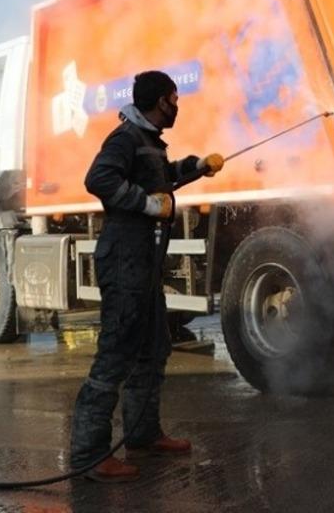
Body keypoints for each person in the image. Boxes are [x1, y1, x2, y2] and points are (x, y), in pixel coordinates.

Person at [69, 70, 225, 482]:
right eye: (174, 99)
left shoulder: (149, 143)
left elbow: (164, 177)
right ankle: (90, 453)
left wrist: (198, 166)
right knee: (116, 352)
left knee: (153, 349)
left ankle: (142, 434)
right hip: (125, 258)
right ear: (159, 101)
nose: (177, 106)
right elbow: (97, 179)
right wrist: (148, 206)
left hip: (145, 261)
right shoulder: (124, 139)